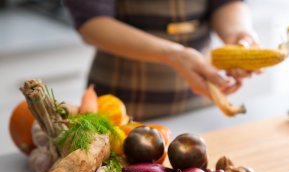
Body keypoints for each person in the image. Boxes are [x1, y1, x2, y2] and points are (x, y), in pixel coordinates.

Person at [64, 0, 261, 121]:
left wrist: (238, 33)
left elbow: (226, 3)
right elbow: (92, 24)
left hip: (202, 102)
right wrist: (173, 54)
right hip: (122, 109)